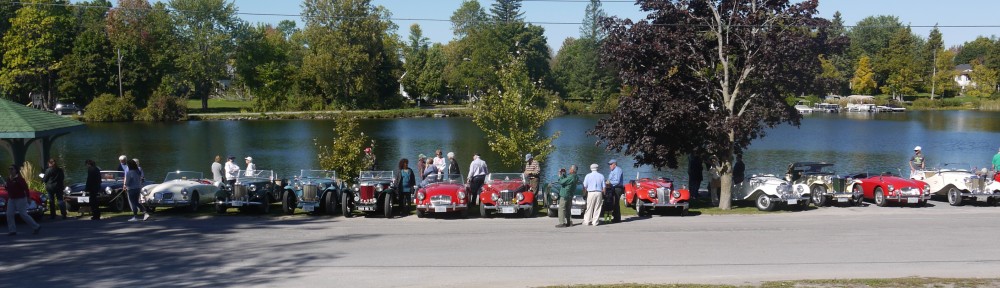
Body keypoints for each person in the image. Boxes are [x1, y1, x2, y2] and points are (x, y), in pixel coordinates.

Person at [6, 165, 41, 236]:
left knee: (23, 214)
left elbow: (26, 188)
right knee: (9, 214)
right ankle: (12, 230)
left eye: (12, 169)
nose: (10, 170)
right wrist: (6, 187)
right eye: (9, 169)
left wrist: (28, 197)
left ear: (16, 170)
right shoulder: (9, 179)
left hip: (20, 198)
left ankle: (36, 226)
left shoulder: (20, 179)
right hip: (11, 199)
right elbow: (8, 188)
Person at [606, 159, 623, 223]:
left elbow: (617, 181)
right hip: (612, 188)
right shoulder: (612, 171)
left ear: (614, 164)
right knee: (611, 203)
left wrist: (609, 183)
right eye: (609, 164)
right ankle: (611, 217)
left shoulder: (618, 170)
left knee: (616, 203)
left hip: (617, 188)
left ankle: (617, 218)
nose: (610, 166)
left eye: (611, 164)